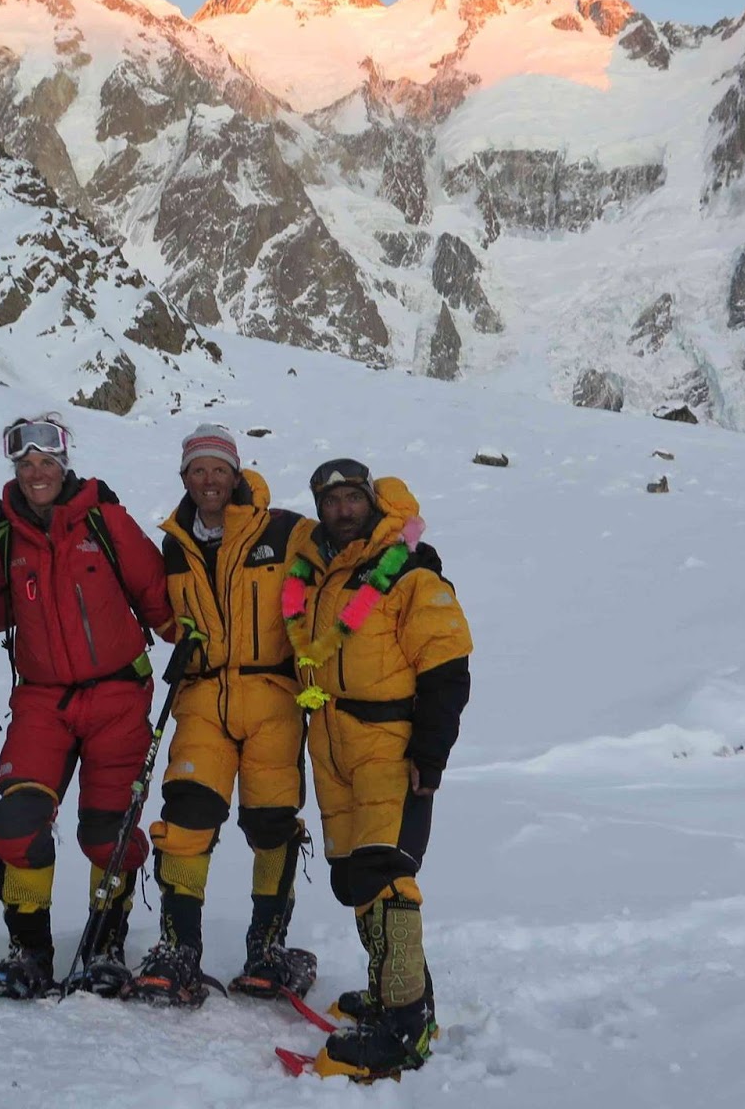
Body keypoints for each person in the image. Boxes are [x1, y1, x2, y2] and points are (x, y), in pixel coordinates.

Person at [0, 413, 175, 999]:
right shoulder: (4, 536)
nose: (38, 473)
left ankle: (104, 950)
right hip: (41, 701)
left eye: (48, 462)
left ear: (65, 465)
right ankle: (29, 952)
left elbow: (157, 597)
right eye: (26, 464)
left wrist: (189, 643)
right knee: (15, 823)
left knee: (107, 833)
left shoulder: (106, 523)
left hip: (118, 695)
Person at [282, 458, 472, 1080]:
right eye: (329, 500)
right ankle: (397, 990)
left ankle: (405, 1028)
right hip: (332, 741)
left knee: (387, 874)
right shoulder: (321, 574)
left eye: (351, 498)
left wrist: (430, 754)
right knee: (356, 878)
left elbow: (446, 668)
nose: (341, 510)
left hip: (390, 741)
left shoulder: (412, 572)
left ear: (371, 500)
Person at [123, 425, 312, 1007]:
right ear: (185, 478)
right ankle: (180, 948)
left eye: (218, 469)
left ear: (236, 474)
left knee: (272, 824)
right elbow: (161, 609)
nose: (209, 480)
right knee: (186, 818)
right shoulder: (174, 544)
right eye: (198, 470)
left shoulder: (284, 531)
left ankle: (268, 948)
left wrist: (408, 546)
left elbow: (342, 560)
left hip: (272, 696)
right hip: (202, 697)